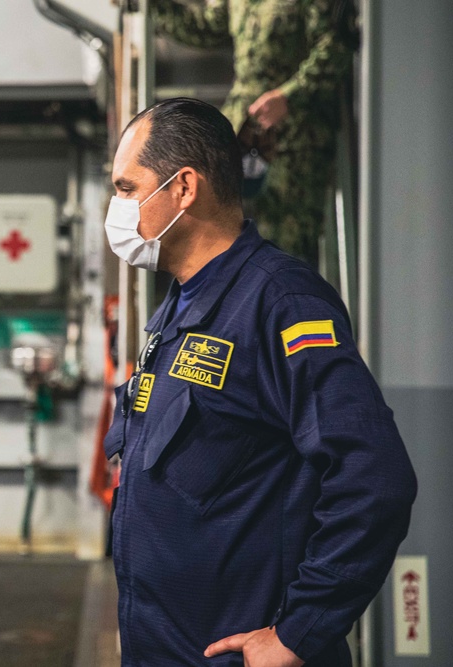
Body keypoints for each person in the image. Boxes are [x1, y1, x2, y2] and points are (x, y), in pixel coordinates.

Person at [102, 98, 416, 666]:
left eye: (127, 188)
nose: (117, 207)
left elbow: (375, 479)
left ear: (184, 188)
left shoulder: (281, 302)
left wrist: (298, 632)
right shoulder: (178, 308)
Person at [150, 0, 356, 267]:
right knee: (222, 241)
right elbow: (205, 29)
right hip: (240, 135)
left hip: (295, 139)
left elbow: (336, 46)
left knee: (287, 247)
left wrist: (289, 96)